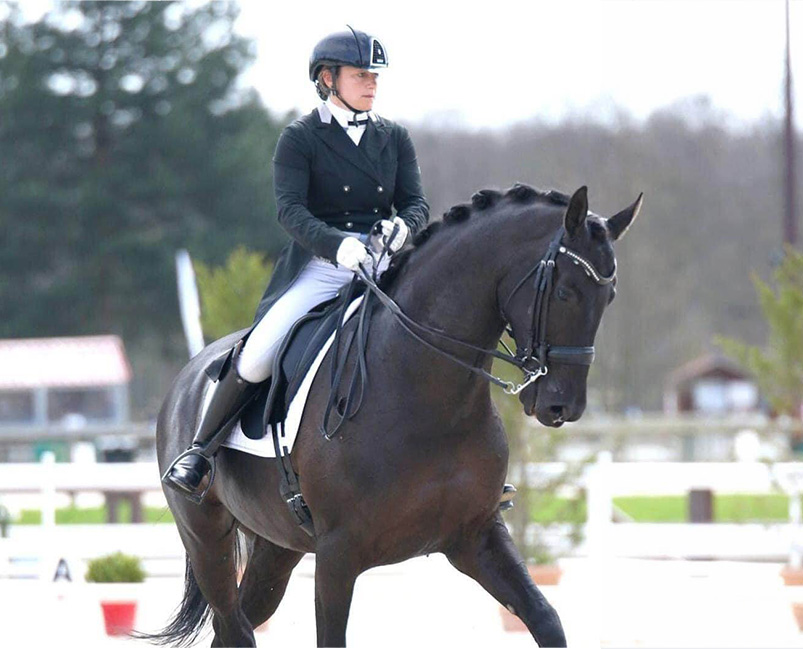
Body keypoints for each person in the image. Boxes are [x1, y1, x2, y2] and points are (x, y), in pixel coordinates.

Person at [162, 26, 430, 500]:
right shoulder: (300, 139)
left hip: (383, 264)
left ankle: (459, 459)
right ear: (327, 79)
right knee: (260, 351)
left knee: (440, 332)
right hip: (323, 267)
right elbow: (289, 211)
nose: (371, 84)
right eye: (360, 75)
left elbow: (415, 204)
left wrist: (403, 229)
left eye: (375, 76)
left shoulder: (394, 138)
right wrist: (337, 244)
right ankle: (200, 451)